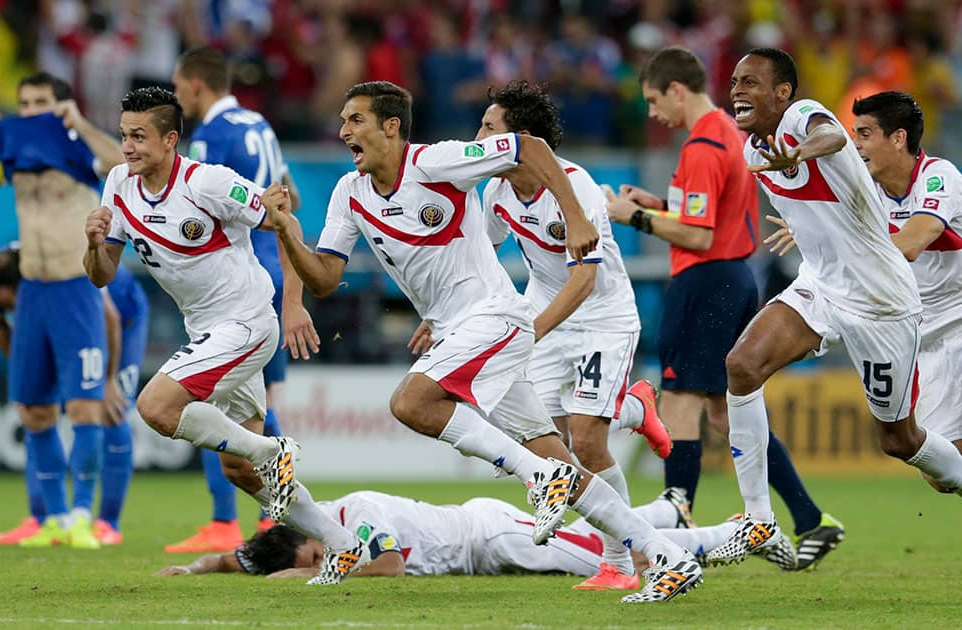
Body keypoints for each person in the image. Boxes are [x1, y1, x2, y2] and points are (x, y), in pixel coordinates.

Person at [268, 80, 703, 603]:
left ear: (391, 127)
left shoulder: (437, 163)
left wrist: (578, 215)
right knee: (561, 459)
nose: (343, 132)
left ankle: (540, 479)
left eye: (355, 121)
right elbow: (324, 279)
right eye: (342, 121)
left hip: (496, 317)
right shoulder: (348, 194)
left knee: (412, 402)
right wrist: (288, 231)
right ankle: (668, 558)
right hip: (462, 330)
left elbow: (530, 147)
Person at [82, 87, 363, 585]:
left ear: (171, 140)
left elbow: (284, 219)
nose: (126, 147)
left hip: (248, 323)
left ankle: (273, 452)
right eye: (124, 135)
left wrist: (293, 304)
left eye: (139, 137)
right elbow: (102, 273)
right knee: (240, 470)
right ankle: (342, 545)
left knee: (156, 407)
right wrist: (93, 242)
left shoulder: (208, 183)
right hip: (206, 328)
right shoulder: (119, 184)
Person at [706, 48, 962, 567]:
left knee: (899, 439)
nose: (737, 91)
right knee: (741, 366)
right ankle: (759, 518)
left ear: (782, 93)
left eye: (750, 82)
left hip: (884, 303)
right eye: (734, 81)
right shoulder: (745, 142)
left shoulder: (803, 119)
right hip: (820, 286)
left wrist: (801, 155)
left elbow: (831, 136)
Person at [604, 46, 841, 571]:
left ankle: (679, 511)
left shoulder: (704, 144)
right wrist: (657, 207)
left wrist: (630, 218)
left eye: (652, 100)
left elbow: (697, 232)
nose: (652, 114)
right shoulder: (728, 137)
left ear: (677, 91)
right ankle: (807, 518)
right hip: (735, 278)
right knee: (725, 411)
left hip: (705, 279)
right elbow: (703, 216)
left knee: (680, 397)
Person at [471, 80, 675, 590]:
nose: (478, 138)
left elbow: (584, 281)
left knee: (586, 440)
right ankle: (635, 408)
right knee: (548, 443)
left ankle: (621, 564)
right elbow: (476, 256)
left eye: (488, 128)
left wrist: (527, 334)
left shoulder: (576, 186)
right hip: (544, 309)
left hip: (602, 316)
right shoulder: (494, 191)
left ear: (519, 138)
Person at [765, 91, 962, 494]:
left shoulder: (939, 177)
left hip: (959, 317)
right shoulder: (867, 194)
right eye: (854, 133)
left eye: (866, 133)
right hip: (920, 333)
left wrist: (842, 242)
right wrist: (814, 231)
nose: (856, 145)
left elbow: (909, 244)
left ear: (898, 138)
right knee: (941, 473)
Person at [165, 46, 320, 553]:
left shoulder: (213, 136)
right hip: (275, 266)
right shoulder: (258, 123)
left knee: (215, 400)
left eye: (177, 84)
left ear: (193, 84)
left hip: (242, 278)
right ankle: (271, 515)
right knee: (252, 402)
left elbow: (199, 211)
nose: (176, 93)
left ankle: (226, 519)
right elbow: (289, 197)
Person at [0, 72, 124, 549]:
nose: (31, 110)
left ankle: (81, 515)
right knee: (33, 411)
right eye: (25, 102)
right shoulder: (15, 158)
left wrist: (81, 122)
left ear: (62, 105)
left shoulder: (79, 150)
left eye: (41, 102)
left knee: (83, 408)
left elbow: (121, 165)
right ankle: (53, 518)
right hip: (32, 290)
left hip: (76, 289)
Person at [155, 489, 738, 580]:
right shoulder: (310, 523)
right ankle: (666, 509)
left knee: (609, 559)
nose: (323, 557)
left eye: (316, 553)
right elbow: (246, 557)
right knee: (592, 535)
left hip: (489, 537)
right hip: (480, 535)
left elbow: (385, 567)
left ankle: (724, 535)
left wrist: (306, 573)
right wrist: (198, 567)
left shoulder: (354, 513)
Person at [0, 245, 149, 545]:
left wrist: (107, 379)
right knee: (36, 410)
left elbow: (109, 318)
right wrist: (26, 371)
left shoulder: (66, 266)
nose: (11, 309)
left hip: (122, 316)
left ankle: (108, 521)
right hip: (64, 319)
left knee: (111, 408)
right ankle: (44, 517)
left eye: (12, 301)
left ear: (15, 286)